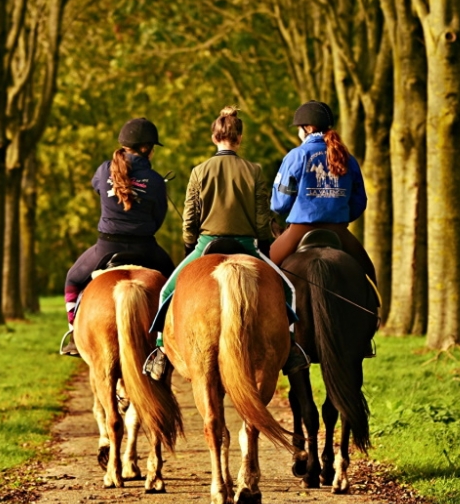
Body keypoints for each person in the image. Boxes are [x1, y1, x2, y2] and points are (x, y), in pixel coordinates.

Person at [147, 106, 305, 378]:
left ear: (214, 138)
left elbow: (190, 216)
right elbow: (261, 215)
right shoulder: (253, 170)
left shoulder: (199, 170)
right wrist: (264, 244)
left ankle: (161, 351)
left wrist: (190, 244)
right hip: (246, 244)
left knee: (166, 293)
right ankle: (290, 347)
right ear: (239, 138)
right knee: (288, 289)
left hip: (207, 242)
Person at [60, 117, 175, 356]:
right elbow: (158, 219)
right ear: (146, 149)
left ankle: (73, 332)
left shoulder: (104, 170)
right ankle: (170, 338)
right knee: (175, 283)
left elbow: (97, 188)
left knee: (73, 279)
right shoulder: (154, 180)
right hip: (146, 248)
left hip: (105, 247)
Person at [270, 100, 376, 285]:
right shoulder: (348, 158)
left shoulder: (297, 155)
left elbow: (280, 203)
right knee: (370, 277)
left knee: (264, 272)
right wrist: (340, 214)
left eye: (299, 128)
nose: (298, 132)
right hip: (338, 229)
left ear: (308, 128)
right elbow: (359, 200)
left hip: (300, 229)